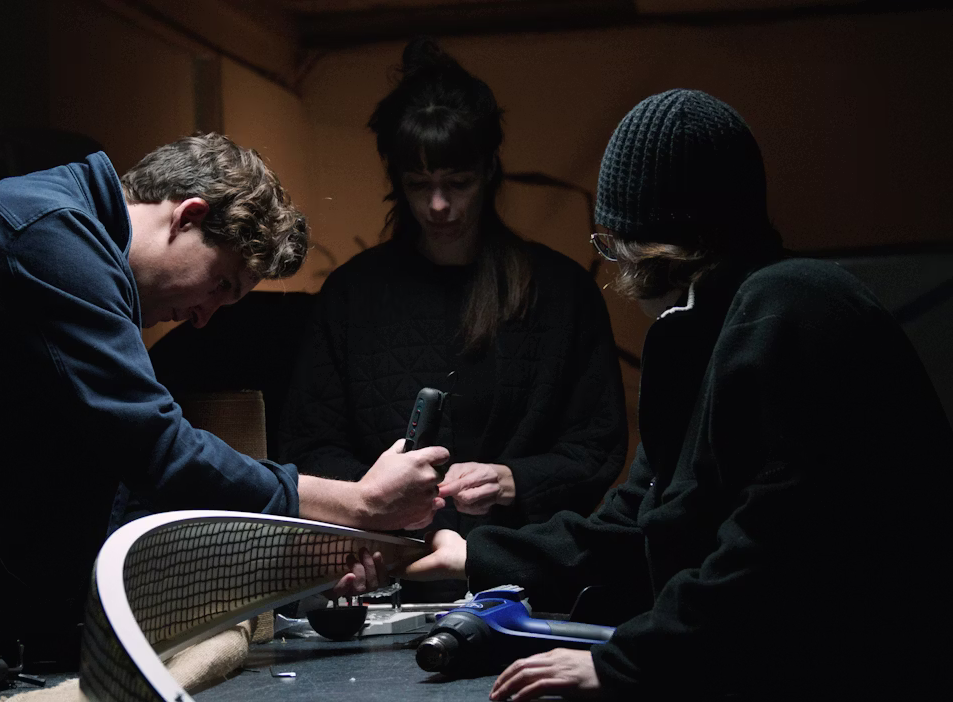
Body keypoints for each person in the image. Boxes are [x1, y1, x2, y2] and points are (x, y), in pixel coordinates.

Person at [0, 134, 448, 689]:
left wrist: (303, 552)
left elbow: (116, 481)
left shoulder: (65, 238)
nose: (205, 316)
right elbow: (159, 448)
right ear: (187, 216)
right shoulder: (53, 241)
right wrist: (356, 505)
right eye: (221, 285)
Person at [402, 89, 951, 699]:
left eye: (612, 243)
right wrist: (473, 555)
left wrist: (627, 663)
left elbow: (775, 545)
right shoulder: (707, 333)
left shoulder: (792, 307)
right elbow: (635, 522)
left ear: (650, 246)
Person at [280, 39, 627, 601]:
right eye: (419, 185)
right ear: (397, 180)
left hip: (523, 576)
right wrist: (373, 501)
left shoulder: (560, 292)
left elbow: (596, 444)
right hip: (386, 576)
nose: (438, 205)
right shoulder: (352, 295)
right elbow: (310, 442)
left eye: (458, 182)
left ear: (489, 170)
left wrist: (513, 481)